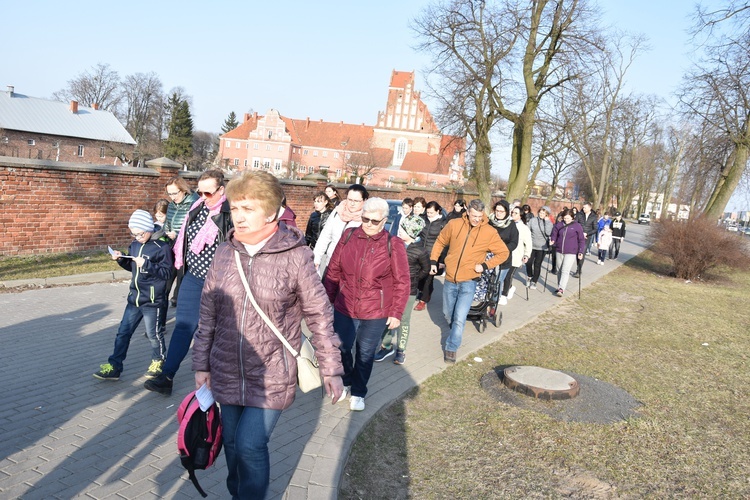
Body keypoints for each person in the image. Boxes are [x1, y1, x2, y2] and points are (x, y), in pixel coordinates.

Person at [191, 171, 344, 499]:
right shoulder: (224, 253)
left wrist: (330, 368)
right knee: (231, 445)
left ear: (272, 212)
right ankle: (238, 493)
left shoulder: (296, 256)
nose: (239, 216)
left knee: (249, 444)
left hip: (272, 371)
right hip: (226, 366)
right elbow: (208, 314)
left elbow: (319, 315)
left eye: (249, 208)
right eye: (235, 208)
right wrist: (201, 363)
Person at [144, 170, 233, 396]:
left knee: (217, 332)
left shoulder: (230, 213)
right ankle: (166, 376)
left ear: (221, 190)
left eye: (208, 192)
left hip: (220, 282)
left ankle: (222, 382)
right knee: (184, 326)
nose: (203, 196)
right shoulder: (196, 208)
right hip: (192, 276)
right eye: (199, 191)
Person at [323, 198, 410, 411]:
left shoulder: (393, 244)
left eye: (374, 221)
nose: (369, 224)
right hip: (345, 305)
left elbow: (402, 281)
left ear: (385, 221)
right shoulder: (349, 236)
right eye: (365, 219)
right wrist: (326, 302)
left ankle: (359, 391)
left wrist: (396, 312)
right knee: (342, 347)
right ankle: (347, 379)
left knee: (365, 352)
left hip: (376, 311)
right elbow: (333, 271)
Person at [93, 210, 173, 381]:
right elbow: (133, 267)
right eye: (133, 234)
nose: (136, 237)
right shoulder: (135, 245)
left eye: (139, 233)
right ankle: (115, 366)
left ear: (148, 229)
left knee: (154, 335)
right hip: (134, 299)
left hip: (152, 301)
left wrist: (148, 264)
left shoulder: (162, 247)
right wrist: (121, 259)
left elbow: (167, 273)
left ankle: (158, 362)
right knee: (123, 333)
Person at [430, 199, 509, 363]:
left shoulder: (489, 232)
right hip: (450, 278)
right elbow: (440, 241)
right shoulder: (454, 224)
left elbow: (503, 253)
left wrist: (485, 265)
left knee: (460, 317)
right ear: (467, 211)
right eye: (474, 215)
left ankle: (452, 347)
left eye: (480, 216)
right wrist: (433, 261)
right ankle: (454, 332)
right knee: (448, 314)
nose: (476, 219)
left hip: (469, 280)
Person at [374, 217, 429, 365]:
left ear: (412, 233)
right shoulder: (392, 243)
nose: (399, 230)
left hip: (409, 292)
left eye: (403, 229)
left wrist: (414, 279)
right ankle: (386, 346)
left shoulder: (420, 250)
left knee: (403, 320)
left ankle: (401, 350)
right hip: (390, 289)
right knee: (387, 317)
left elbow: (426, 269)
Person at [313, 184, 368, 277]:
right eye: (350, 200)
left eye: (357, 201)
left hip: (352, 270)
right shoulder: (337, 212)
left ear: (364, 200)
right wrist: (316, 258)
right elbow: (325, 236)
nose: (352, 203)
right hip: (331, 263)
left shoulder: (367, 218)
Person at [163, 176, 200, 307]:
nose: (172, 197)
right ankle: (162, 304)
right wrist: (167, 231)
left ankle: (179, 302)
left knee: (181, 278)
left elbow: (197, 228)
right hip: (171, 245)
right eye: (169, 193)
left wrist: (178, 234)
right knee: (166, 278)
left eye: (175, 193)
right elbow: (167, 222)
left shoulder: (195, 203)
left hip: (186, 248)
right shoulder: (172, 205)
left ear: (183, 190)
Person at [414, 201, 447, 311]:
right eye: (427, 212)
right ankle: (424, 291)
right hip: (421, 253)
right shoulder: (422, 219)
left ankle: (423, 300)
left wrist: (442, 260)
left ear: (438, 211)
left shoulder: (443, 223)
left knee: (428, 278)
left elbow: (446, 243)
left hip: (434, 255)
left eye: (431, 213)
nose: (429, 215)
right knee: (419, 276)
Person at [488, 200, 518, 308]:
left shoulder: (511, 225)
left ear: (506, 212)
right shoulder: (489, 222)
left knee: (497, 282)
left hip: (503, 259)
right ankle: (484, 302)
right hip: (488, 257)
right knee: (487, 282)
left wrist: (502, 250)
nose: (498, 213)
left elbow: (514, 242)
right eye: (497, 211)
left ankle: (493, 305)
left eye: (501, 211)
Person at [550, 208, 585, 297]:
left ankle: (562, 288)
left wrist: (580, 251)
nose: (566, 220)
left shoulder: (577, 226)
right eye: (565, 218)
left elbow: (581, 240)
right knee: (559, 270)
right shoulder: (559, 224)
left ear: (572, 218)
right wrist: (553, 240)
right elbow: (554, 233)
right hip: (559, 250)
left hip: (571, 252)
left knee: (565, 270)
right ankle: (559, 286)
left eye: (568, 218)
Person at [502, 205, 531, 300]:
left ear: (521, 215)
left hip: (516, 255)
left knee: (508, 275)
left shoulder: (524, 228)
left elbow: (528, 243)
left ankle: (504, 295)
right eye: (512, 213)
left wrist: (526, 255)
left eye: (516, 213)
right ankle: (510, 288)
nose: (513, 214)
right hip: (505, 253)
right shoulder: (506, 224)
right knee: (503, 275)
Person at [525, 206, 553, 289]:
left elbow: (548, 233)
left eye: (544, 213)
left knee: (537, 264)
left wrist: (547, 222)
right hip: (532, 246)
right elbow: (527, 230)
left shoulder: (549, 223)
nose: (541, 214)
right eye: (540, 212)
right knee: (528, 262)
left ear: (547, 214)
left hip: (542, 247)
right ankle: (530, 276)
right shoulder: (533, 220)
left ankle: (534, 281)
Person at [574, 202, 597, 278]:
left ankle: (578, 270)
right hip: (578, 236)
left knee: (582, 253)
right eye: (583, 207)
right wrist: (579, 233)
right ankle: (578, 267)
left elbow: (595, 229)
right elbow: (575, 224)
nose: (583, 209)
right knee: (578, 253)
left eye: (585, 208)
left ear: (590, 208)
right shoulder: (579, 214)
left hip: (587, 238)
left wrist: (587, 233)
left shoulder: (593, 216)